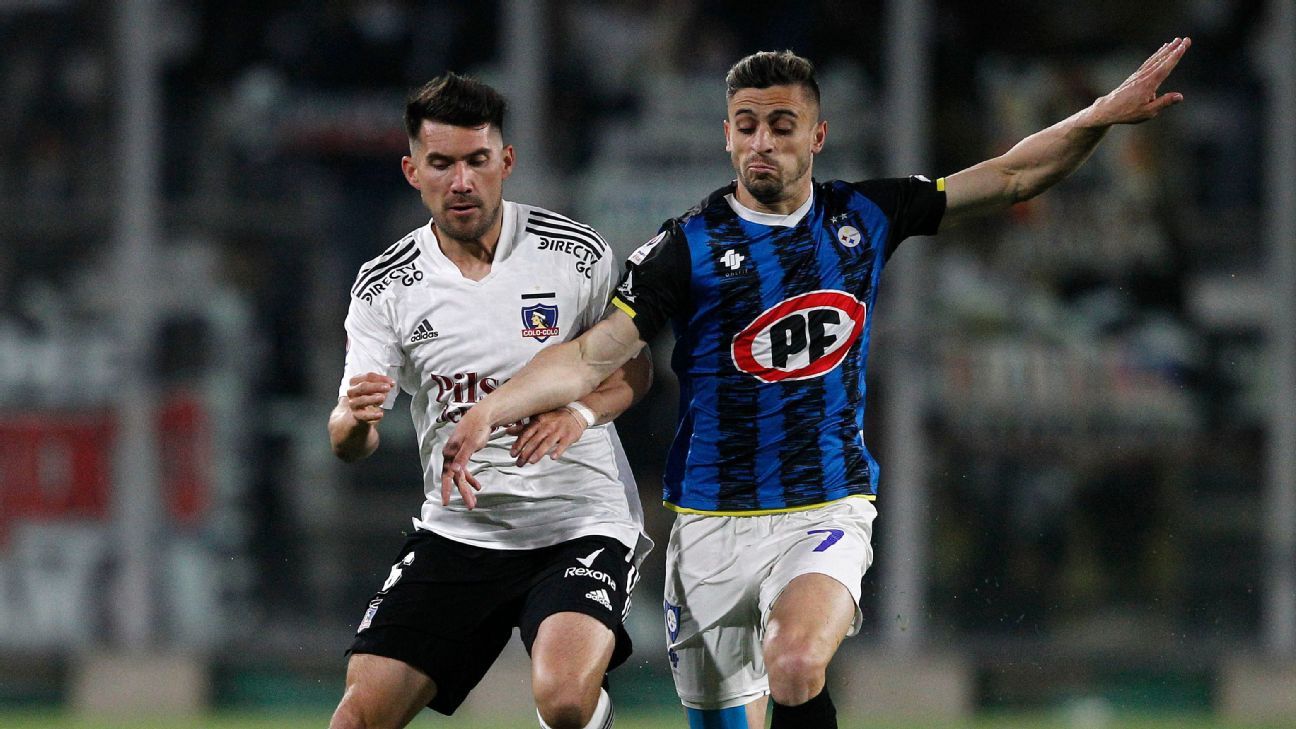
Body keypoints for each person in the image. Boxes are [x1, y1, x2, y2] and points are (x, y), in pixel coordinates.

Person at [442, 40, 1192, 729]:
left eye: (781, 125)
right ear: (727, 136)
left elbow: (1013, 175)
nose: (762, 142)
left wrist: (1099, 115)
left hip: (825, 505)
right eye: (746, 126)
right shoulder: (686, 246)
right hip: (708, 523)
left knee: (797, 662)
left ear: (817, 136)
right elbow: (590, 355)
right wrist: (491, 410)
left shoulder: (864, 215)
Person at [328, 72, 653, 729]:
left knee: (564, 700)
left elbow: (636, 371)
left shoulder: (575, 254)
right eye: (441, 164)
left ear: (505, 161)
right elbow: (348, 439)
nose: (462, 181)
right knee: (358, 718)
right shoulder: (386, 286)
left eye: (477, 160)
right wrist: (355, 422)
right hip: (462, 529)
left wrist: (581, 413)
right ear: (412, 171)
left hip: (578, 520)